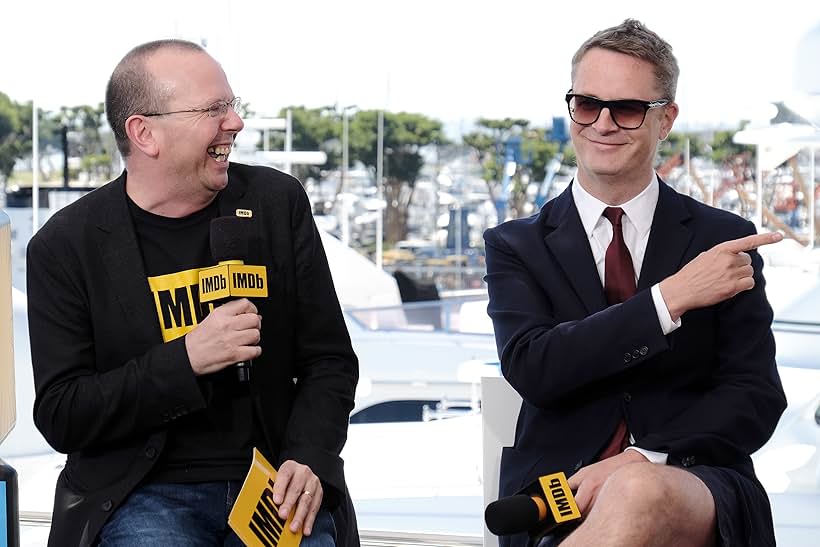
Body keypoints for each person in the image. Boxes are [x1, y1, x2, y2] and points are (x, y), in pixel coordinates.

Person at [27, 39, 359, 547]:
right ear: (145, 133)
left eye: (232, 104)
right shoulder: (66, 245)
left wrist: (308, 458)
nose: (235, 123)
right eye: (213, 109)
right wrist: (187, 360)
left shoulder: (275, 203)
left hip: (273, 484)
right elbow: (63, 413)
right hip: (143, 492)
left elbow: (330, 361)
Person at [484, 19, 786, 547]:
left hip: (697, 479)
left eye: (625, 109)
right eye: (585, 104)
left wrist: (642, 460)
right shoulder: (516, 245)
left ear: (665, 119)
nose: (601, 124)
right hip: (559, 492)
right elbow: (535, 369)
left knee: (637, 492)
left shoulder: (725, 241)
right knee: (633, 494)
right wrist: (670, 301)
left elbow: (754, 395)